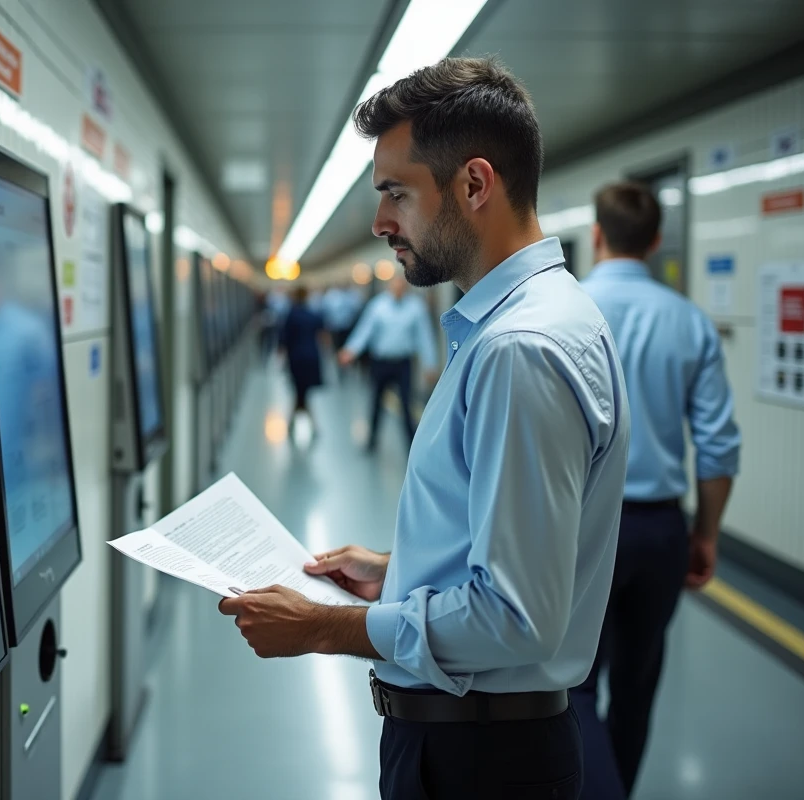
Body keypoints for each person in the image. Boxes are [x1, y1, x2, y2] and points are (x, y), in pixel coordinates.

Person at [217, 57, 630, 800]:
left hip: (482, 761)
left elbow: (516, 618)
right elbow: (515, 560)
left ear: (474, 185)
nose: (380, 223)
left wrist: (325, 628)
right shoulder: (532, 321)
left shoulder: (518, 351)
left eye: (396, 195)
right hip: (483, 742)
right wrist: (401, 572)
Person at [574, 182, 741, 800]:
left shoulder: (568, 311)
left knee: (573, 686)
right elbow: (719, 446)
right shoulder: (690, 322)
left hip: (583, 529)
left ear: (596, 236)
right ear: (653, 242)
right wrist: (705, 535)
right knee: (638, 685)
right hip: (661, 532)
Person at [338, 273, 438, 452]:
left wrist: (430, 364)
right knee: (376, 401)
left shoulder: (415, 308)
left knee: (407, 404)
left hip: (403, 363)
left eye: (402, 287)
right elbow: (365, 330)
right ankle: (372, 440)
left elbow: (424, 337)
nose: (399, 290)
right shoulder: (378, 306)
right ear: (390, 287)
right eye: (395, 286)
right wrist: (351, 350)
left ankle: (411, 444)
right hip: (380, 362)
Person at [278, 286, 325, 438]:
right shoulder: (313, 314)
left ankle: (293, 424)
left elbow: (284, 338)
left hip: (296, 358)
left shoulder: (291, 314)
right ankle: (308, 424)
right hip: (311, 356)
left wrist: (281, 357)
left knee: (299, 392)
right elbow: (322, 334)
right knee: (302, 392)